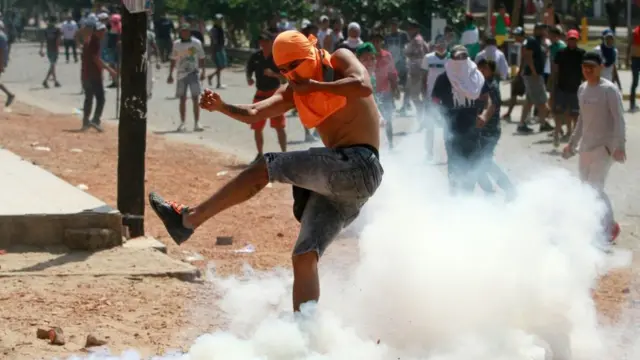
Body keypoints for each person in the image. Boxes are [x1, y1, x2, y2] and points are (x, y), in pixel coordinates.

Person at [149, 30, 383, 312]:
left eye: (293, 66)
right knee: (304, 256)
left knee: (265, 166)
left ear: (309, 54)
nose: (289, 75)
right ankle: (306, 338)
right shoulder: (294, 88)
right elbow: (255, 112)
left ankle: (188, 220)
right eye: (283, 69)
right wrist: (222, 107)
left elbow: (363, 85)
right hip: (342, 182)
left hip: (359, 164)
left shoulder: (339, 60)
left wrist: (315, 87)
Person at [562, 52, 626, 244]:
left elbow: (619, 120)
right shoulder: (582, 89)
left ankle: (610, 227)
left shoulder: (609, 90)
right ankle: (594, 226)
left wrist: (619, 145)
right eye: (585, 66)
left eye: (592, 66)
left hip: (604, 148)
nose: (588, 70)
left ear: (600, 68)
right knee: (585, 189)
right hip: (586, 148)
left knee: (595, 189)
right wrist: (572, 144)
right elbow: (582, 120)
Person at [431, 45, 489, 194]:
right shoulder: (443, 79)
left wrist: (484, 115)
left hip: (473, 127)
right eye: (457, 57)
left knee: (472, 162)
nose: (460, 60)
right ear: (451, 59)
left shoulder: (477, 78)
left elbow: (487, 99)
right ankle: (454, 195)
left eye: (463, 57)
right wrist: (440, 117)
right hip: (452, 127)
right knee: (454, 161)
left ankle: (467, 196)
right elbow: (435, 101)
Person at [475, 58, 514, 199]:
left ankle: (507, 189)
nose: (481, 71)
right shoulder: (481, 84)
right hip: (481, 131)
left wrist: (483, 118)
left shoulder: (491, 86)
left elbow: (492, 106)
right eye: (479, 68)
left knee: (483, 163)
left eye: (484, 68)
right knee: (478, 163)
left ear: (491, 70)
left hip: (489, 131)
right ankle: (491, 192)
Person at [245, 31, 287, 159]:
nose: (263, 44)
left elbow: (285, 78)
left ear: (271, 42)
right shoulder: (256, 56)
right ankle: (259, 155)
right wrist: (249, 78)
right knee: (257, 126)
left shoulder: (277, 57)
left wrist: (273, 74)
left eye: (265, 41)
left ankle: (284, 154)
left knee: (279, 126)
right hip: (260, 94)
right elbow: (249, 69)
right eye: (261, 41)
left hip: (274, 95)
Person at [168, 23, 206, 132]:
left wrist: (203, 71)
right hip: (181, 73)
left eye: (186, 31)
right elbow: (173, 59)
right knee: (182, 99)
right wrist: (170, 74)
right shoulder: (176, 44)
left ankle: (197, 122)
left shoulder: (196, 43)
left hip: (193, 72)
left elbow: (202, 57)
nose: (184, 33)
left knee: (195, 98)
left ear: (189, 31)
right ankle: (182, 122)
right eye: (182, 31)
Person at [551, 29, 585, 147]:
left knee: (575, 114)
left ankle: (574, 139)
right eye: (570, 39)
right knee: (559, 112)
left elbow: (585, 71)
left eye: (574, 39)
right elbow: (555, 69)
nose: (572, 42)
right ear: (567, 40)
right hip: (562, 87)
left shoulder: (582, 54)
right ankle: (556, 134)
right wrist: (552, 85)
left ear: (577, 40)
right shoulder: (560, 53)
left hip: (576, 88)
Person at [81, 23, 116, 132]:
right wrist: (110, 70)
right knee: (100, 98)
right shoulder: (94, 42)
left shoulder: (88, 41)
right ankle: (95, 120)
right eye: (101, 31)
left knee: (89, 98)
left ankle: (86, 122)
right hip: (93, 75)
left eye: (104, 31)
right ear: (96, 31)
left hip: (86, 74)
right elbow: (96, 59)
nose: (103, 33)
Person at [518, 23, 552, 134]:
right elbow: (527, 56)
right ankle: (544, 123)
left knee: (529, 101)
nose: (544, 31)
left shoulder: (541, 42)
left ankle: (522, 124)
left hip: (537, 74)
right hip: (533, 75)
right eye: (542, 29)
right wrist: (534, 71)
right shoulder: (532, 41)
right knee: (542, 100)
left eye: (544, 29)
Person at [422, 35, 449, 161]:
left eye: (443, 43)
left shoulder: (451, 58)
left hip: (448, 98)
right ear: (435, 45)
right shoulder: (428, 58)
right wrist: (424, 94)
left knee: (449, 125)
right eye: (439, 43)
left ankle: (450, 152)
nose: (441, 46)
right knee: (430, 125)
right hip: (431, 96)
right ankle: (429, 153)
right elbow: (424, 77)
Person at [371, 33, 399, 149]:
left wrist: (395, 88)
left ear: (381, 42)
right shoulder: (368, 56)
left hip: (386, 91)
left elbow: (392, 73)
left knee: (388, 118)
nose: (376, 43)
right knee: (372, 120)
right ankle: (374, 145)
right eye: (374, 41)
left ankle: (390, 144)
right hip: (371, 92)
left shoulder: (387, 55)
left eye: (379, 41)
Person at [404, 19, 429, 127]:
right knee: (418, 95)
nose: (409, 30)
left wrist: (407, 53)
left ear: (416, 29)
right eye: (408, 28)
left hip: (416, 71)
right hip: (419, 70)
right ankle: (423, 117)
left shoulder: (417, 40)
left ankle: (422, 116)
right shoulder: (418, 39)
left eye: (411, 28)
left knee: (415, 96)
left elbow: (418, 54)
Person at [385, 18, 410, 115]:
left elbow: (407, 47)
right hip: (391, 63)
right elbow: (386, 48)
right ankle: (392, 104)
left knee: (406, 85)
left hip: (402, 62)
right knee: (391, 84)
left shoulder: (403, 35)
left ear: (397, 25)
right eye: (392, 25)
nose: (393, 27)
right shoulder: (387, 36)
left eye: (395, 25)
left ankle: (405, 105)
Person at [502, 27, 527, 120]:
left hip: (524, 74)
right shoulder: (517, 45)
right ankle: (509, 113)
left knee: (529, 95)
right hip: (520, 72)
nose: (515, 37)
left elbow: (524, 60)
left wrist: (520, 73)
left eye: (517, 35)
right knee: (514, 93)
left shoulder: (525, 45)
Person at [40, 16, 62, 88]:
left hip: (49, 49)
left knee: (52, 65)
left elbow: (43, 40)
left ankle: (55, 81)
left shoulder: (46, 30)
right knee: (52, 65)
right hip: (54, 49)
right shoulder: (57, 30)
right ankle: (46, 81)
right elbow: (59, 40)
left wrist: (41, 49)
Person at [207, 14, 228, 89]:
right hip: (217, 50)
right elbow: (212, 42)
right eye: (218, 20)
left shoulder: (221, 28)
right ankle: (216, 82)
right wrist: (212, 52)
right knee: (220, 66)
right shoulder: (214, 29)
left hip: (221, 48)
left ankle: (213, 78)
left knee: (222, 66)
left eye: (221, 20)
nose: (220, 21)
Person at [0, 20, 15, 108]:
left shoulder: (1, 37)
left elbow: (1, 52)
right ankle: (9, 95)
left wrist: (1, 65)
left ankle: (10, 95)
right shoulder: (3, 36)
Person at [627, 24, 640, 112]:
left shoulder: (634, 31)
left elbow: (629, 45)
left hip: (635, 59)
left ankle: (632, 104)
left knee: (634, 82)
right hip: (635, 59)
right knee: (635, 82)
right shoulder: (635, 32)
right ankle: (632, 104)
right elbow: (630, 45)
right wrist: (627, 58)